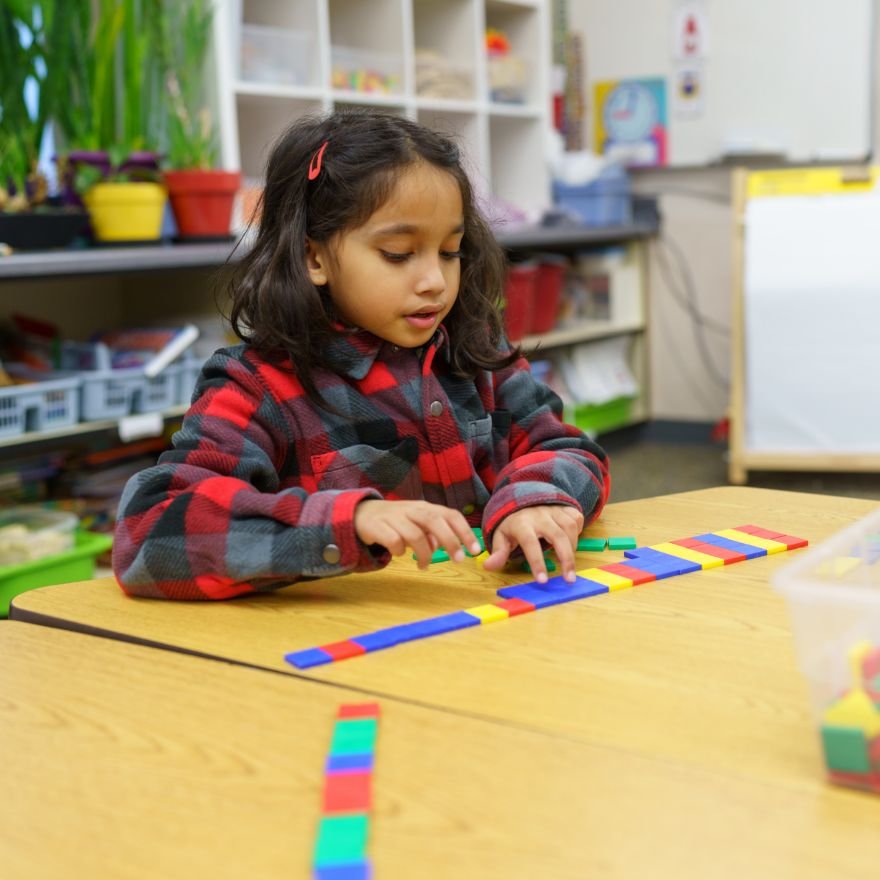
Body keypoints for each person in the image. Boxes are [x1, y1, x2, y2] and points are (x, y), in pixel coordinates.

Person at [113, 110, 610, 601]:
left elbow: (569, 449)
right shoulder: (255, 386)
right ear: (314, 258)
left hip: (493, 631)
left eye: (450, 251)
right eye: (397, 254)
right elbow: (147, 533)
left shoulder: (477, 351)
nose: (434, 281)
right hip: (343, 654)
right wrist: (350, 522)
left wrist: (536, 500)